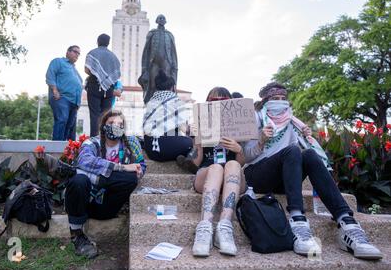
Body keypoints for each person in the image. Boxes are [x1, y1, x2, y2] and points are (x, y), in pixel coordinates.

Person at [242, 82, 383, 260]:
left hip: (283, 178)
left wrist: (305, 137)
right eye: (275, 99)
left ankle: (347, 223)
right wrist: (261, 140)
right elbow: (245, 156)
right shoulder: (256, 118)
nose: (280, 102)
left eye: (283, 99)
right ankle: (297, 219)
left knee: (307, 154)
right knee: (293, 151)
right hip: (258, 175)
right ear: (265, 101)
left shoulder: (291, 121)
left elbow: (294, 157)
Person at [64, 109, 146, 258]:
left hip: (106, 206)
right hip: (85, 199)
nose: (115, 126)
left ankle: (96, 179)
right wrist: (121, 168)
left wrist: (139, 170)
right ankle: (77, 235)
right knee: (78, 180)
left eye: (120, 124)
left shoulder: (131, 142)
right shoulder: (92, 142)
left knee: (130, 178)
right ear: (103, 125)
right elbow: (84, 160)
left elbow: (141, 165)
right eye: (111, 123)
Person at [191, 87, 246, 257]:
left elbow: (240, 163)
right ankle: (205, 227)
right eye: (215, 101)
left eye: (224, 101)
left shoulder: (238, 128)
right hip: (207, 175)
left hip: (232, 177)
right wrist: (197, 143)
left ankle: (225, 226)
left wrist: (238, 149)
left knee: (231, 164)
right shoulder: (202, 125)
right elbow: (194, 163)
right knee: (216, 168)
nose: (219, 104)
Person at [143, 70, 193, 162]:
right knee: (193, 143)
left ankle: (181, 158)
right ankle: (186, 160)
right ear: (173, 87)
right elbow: (185, 129)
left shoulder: (151, 102)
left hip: (151, 151)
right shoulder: (175, 101)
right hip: (166, 148)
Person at [85, 34, 121, 136]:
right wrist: (105, 79)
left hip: (94, 86)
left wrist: (98, 75)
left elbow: (86, 70)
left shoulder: (92, 53)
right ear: (108, 43)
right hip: (108, 89)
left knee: (94, 115)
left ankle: (94, 139)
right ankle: (105, 139)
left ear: (97, 41)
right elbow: (116, 75)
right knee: (106, 116)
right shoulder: (114, 57)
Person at [138, 14, 178, 104]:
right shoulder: (152, 33)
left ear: (165, 21)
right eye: (160, 18)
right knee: (152, 85)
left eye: (163, 18)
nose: (162, 19)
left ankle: (167, 102)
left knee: (167, 85)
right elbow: (146, 51)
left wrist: (174, 67)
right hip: (154, 63)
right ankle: (152, 103)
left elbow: (173, 52)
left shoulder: (169, 35)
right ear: (157, 20)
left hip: (167, 64)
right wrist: (144, 68)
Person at [46, 45, 83, 140]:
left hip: (74, 102)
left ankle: (64, 149)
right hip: (62, 97)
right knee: (62, 119)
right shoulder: (58, 62)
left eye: (79, 53)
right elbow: (50, 75)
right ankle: (56, 147)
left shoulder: (75, 70)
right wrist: (54, 90)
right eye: (75, 52)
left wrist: (78, 103)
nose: (77, 55)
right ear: (68, 52)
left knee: (69, 126)